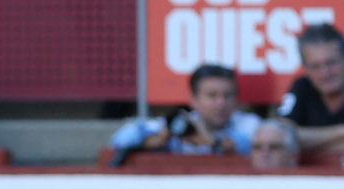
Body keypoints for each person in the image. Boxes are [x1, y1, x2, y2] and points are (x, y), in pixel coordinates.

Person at [107, 65, 260, 157]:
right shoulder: (183, 124)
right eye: (212, 96)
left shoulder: (248, 124)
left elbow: (256, 145)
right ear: (193, 100)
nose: (221, 103)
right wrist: (157, 139)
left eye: (228, 95)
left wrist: (212, 141)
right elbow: (120, 140)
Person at [278, 22, 344, 155]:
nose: (325, 73)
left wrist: (305, 143)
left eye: (331, 63)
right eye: (315, 66)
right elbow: (280, 134)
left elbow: (291, 139)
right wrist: (340, 132)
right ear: (306, 69)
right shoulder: (302, 86)